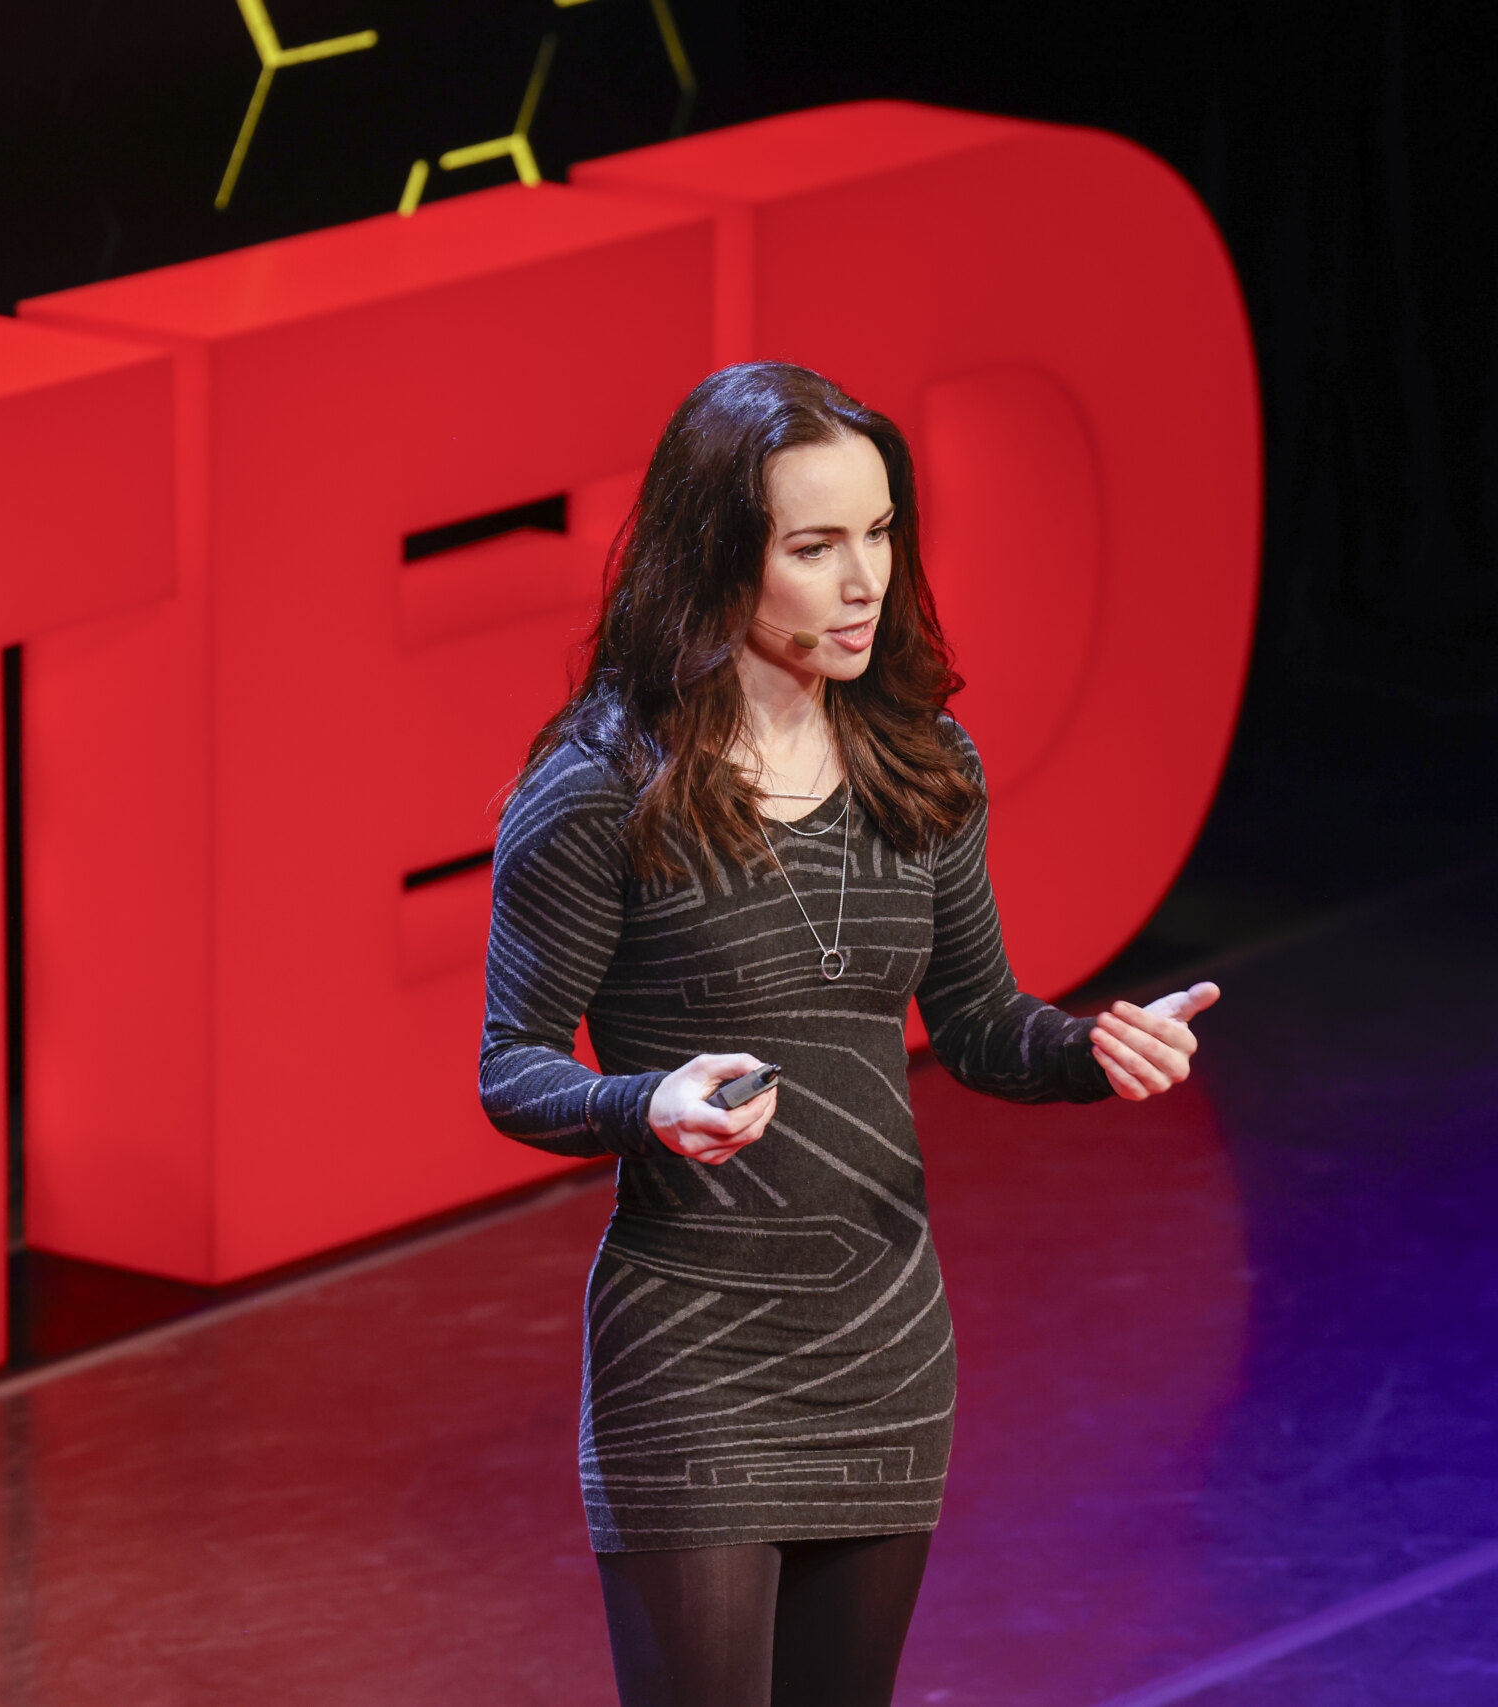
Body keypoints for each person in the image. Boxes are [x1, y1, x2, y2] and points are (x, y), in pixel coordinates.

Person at [479, 361, 1219, 1707]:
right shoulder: (600, 792)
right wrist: (643, 1103)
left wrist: (1090, 1052)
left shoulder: (922, 762)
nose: (865, 578)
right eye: (817, 548)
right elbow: (512, 1065)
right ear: (718, 559)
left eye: (880, 535)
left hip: (882, 1342)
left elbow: (983, 1023)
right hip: (692, 1351)